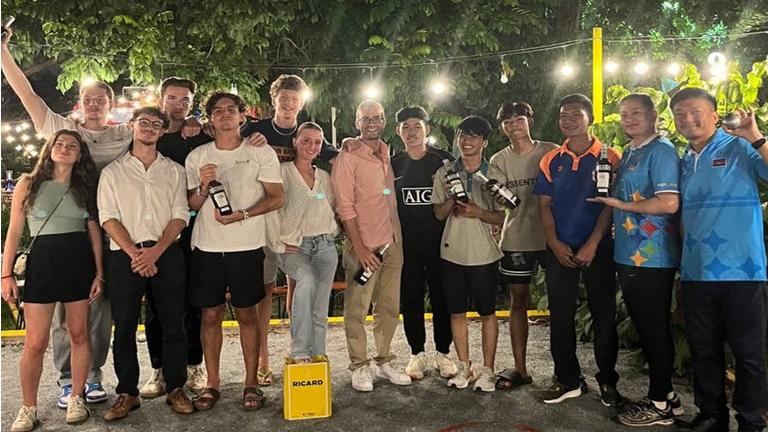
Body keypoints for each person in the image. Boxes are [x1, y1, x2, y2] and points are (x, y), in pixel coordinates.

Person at [1, 25, 202, 408]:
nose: (94, 104)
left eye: (100, 100)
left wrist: (191, 122)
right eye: (88, 99)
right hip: (76, 233)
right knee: (65, 318)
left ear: (110, 106)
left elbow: (158, 123)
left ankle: (93, 377)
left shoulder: (122, 135)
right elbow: (27, 94)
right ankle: (69, 382)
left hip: (105, 236)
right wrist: (2, 52)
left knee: (103, 314)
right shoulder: (63, 129)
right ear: (79, 103)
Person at [671, 88, 767, 432]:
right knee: (703, 349)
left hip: (743, 270)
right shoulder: (683, 160)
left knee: (748, 353)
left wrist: (755, 137)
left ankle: (751, 420)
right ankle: (711, 416)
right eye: (679, 114)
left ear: (714, 115)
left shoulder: (740, 146)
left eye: (695, 111)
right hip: (696, 271)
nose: (688, 119)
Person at [589, 94, 684, 426]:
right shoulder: (631, 151)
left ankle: (658, 404)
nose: (628, 119)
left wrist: (621, 206)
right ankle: (667, 396)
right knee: (647, 326)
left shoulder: (662, 151)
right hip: (630, 253)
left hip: (652, 255)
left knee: (653, 327)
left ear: (654, 114)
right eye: (624, 114)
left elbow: (669, 203)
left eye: (636, 113)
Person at [185, 91, 284, 411]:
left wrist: (243, 214)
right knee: (210, 314)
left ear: (242, 116)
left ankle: (251, 382)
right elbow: (191, 204)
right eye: (218, 111)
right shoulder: (198, 156)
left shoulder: (259, 151)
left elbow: (277, 197)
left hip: (247, 245)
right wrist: (203, 186)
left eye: (232, 109)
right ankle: (212, 384)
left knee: (247, 314)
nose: (225, 114)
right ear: (210, 119)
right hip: (207, 246)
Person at [241, 74, 338, 386]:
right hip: (262, 225)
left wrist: (352, 144)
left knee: (303, 291)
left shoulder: (308, 135)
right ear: (274, 100)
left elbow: (336, 154)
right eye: (283, 98)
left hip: (302, 234)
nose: (288, 103)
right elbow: (224, 141)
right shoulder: (255, 130)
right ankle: (262, 361)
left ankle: (301, 354)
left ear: (302, 102)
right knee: (265, 293)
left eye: (295, 99)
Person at [2, 130, 102, 430]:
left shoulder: (84, 187)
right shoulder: (28, 183)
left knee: (79, 334)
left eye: (72, 145)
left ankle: (77, 397)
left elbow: (94, 233)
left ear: (80, 155)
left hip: (78, 263)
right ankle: (28, 407)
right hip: (43, 264)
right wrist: (5, 273)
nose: (65, 148)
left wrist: (100, 272)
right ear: (49, 148)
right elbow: (14, 231)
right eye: (59, 143)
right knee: (35, 341)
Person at [98, 107, 194, 420]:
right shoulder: (113, 172)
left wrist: (156, 252)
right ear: (132, 126)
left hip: (166, 252)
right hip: (125, 256)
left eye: (156, 124)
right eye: (144, 123)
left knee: (173, 324)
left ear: (163, 131)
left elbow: (181, 214)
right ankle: (127, 392)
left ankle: (176, 387)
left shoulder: (174, 170)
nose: (149, 128)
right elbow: (108, 217)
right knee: (124, 327)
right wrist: (136, 254)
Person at [532, 94, 623, 406]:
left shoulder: (610, 157)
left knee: (604, 315)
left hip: (598, 247)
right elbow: (544, 205)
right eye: (563, 116)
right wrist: (554, 242)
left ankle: (608, 381)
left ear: (590, 119)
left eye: (576, 115)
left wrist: (593, 243)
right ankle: (567, 379)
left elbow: (610, 205)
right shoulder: (551, 159)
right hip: (560, 248)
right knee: (560, 315)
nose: (568, 121)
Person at [330, 99, 411, 392]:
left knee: (388, 307)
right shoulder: (348, 157)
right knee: (357, 308)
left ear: (384, 121)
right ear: (357, 122)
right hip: (363, 245)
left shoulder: (386, 152)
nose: (372, 123)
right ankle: (359, 365)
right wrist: (361, 249)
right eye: (366, 119)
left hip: (392, 241)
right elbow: (345, 208)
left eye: (377, 118)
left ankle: (383, 361)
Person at [139, 77, 213, 399]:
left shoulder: (200, 136)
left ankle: (195, 365)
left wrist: (199, 123)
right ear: (161, 99)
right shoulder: (147, 136)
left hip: (195, 231)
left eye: (185, 100)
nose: (178, 104)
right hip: (155, 233)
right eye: (172, 98)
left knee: (194, 302)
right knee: (156, 304)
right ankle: (158, 368)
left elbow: (238, 128)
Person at [431, 115, 505, 392]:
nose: (467, 141)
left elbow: (503, 216)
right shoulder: (445, 172)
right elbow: (438, 214)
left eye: (474, 136)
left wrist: (479, 212)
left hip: (484, 253)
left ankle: (487, 370)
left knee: (488, 313)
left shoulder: (494, 173)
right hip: (452, 251)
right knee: (457, 313)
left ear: (484, 142)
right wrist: (452, 198)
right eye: (463, 135)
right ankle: (464, 366)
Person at [489, 102, 558, 390]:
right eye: (507, 121)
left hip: (553, 237)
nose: (514, 125)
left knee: (560, 302)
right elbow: (501, 200)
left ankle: (565, 371)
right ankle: (521, 368)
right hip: (517, 237)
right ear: (502, 128)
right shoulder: (498, 160)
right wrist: (499, 198)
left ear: (530, 120)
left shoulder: (551, 151)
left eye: (519, 119)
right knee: (518, 302)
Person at [390, 106, 457, 380]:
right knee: (412, 298)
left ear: (427, 129)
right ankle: (416, 353)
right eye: (405, 127)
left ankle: (443, 353)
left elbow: (458, 196)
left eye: (417, 126)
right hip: (408, 244)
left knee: (443, 297)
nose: (412, 131)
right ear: (398, 132)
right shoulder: (392, 164)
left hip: (442, 243)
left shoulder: (444, 161)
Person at [269, 122, 338, 361]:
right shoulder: (282, 172)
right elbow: (270, 212)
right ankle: (300, 352)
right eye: (306, 140)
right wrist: (277, 243)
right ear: (295, 142)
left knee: (320, 307)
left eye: (317, 142)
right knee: (306, 279)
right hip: (293, 245)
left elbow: (332, 207)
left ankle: (318, 356)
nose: (311, 146)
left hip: (325, 245)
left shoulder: (324, 177)